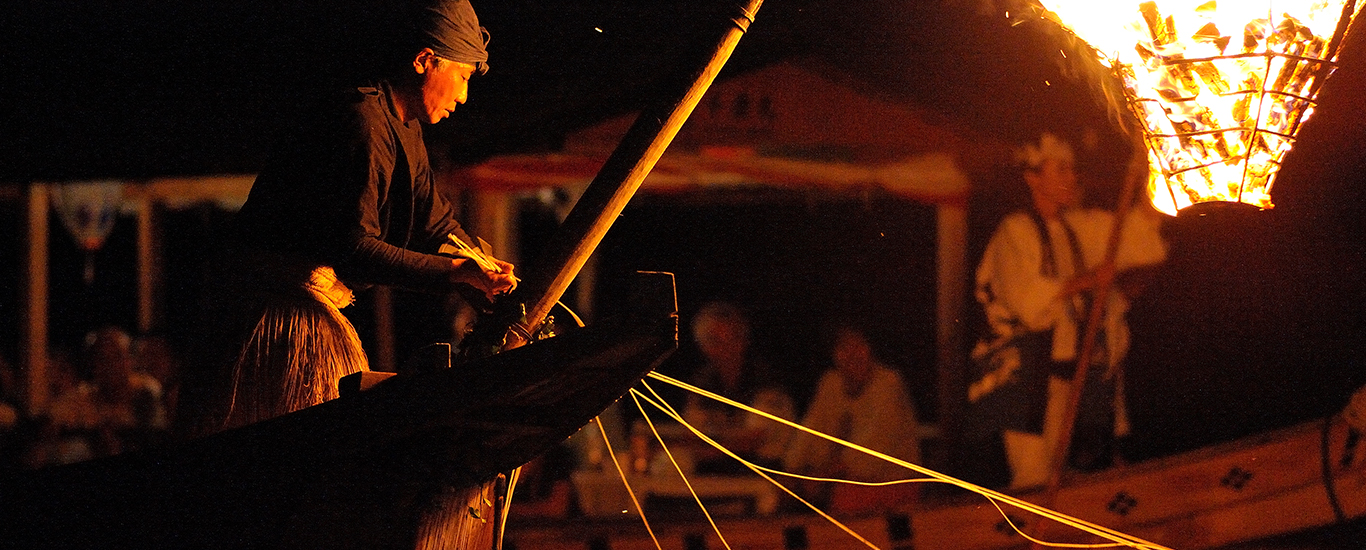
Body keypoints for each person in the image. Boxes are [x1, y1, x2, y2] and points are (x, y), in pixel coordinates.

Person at [176, 0, 517, 439]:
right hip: (275, 314)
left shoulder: (406, 129)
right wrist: (456, 274)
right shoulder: (360, 122)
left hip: (308, 306)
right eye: (463, 76)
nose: (464, 96)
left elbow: (436, 224)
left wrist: (486, 269)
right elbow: (354, 249)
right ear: (424, 61)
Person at [969, 133, 1167, 490]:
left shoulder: (1077, 228)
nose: (1071, 178)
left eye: (1072, 170)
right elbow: (1027, 300)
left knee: (1069, 481)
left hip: (1068, 376)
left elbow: (1136, 233)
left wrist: (1155, 174)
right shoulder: (1014, 231)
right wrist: (1087, 280)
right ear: (1032, 178)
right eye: (1060, 170)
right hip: (1022, 376)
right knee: (1033, 479)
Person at [783, 323, 921, 513]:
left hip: (889, 485)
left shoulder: (888, 384)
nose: (852, 354)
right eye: (844, 347)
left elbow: (871, 452)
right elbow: (809, 432)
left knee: (842, 501)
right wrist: (790, 470)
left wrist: (823, 475)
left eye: (859, 345)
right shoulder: (830, 384)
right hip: (836, 482)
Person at [680, 301, 796, 474]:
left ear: (744, 340)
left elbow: (754, 439)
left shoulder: (765, 380)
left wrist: (711, 449)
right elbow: (692, 433)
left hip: (765, 471)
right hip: (716, 470)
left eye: (733, 338)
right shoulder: (703, 382)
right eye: (714, 340)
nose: (726, 348)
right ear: (703, 346)